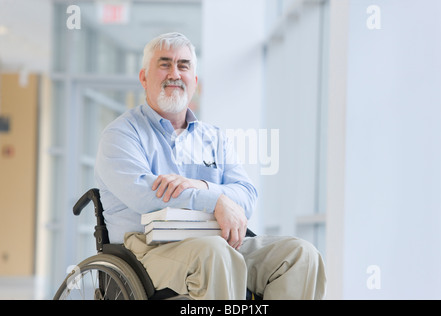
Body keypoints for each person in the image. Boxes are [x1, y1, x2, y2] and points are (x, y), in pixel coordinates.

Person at [95, 32, 326, 300]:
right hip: (148, 250)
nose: (175, 73)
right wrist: (217, 201)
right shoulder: (121, 134)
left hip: (220, 242)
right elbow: (146, 196)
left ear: (194, 81)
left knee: (300, 255)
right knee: (213, 254)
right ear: (144, 77)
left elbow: (247, 196)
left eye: (183, 66)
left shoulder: (213, 137)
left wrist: (201, 187)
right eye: (164, 64)